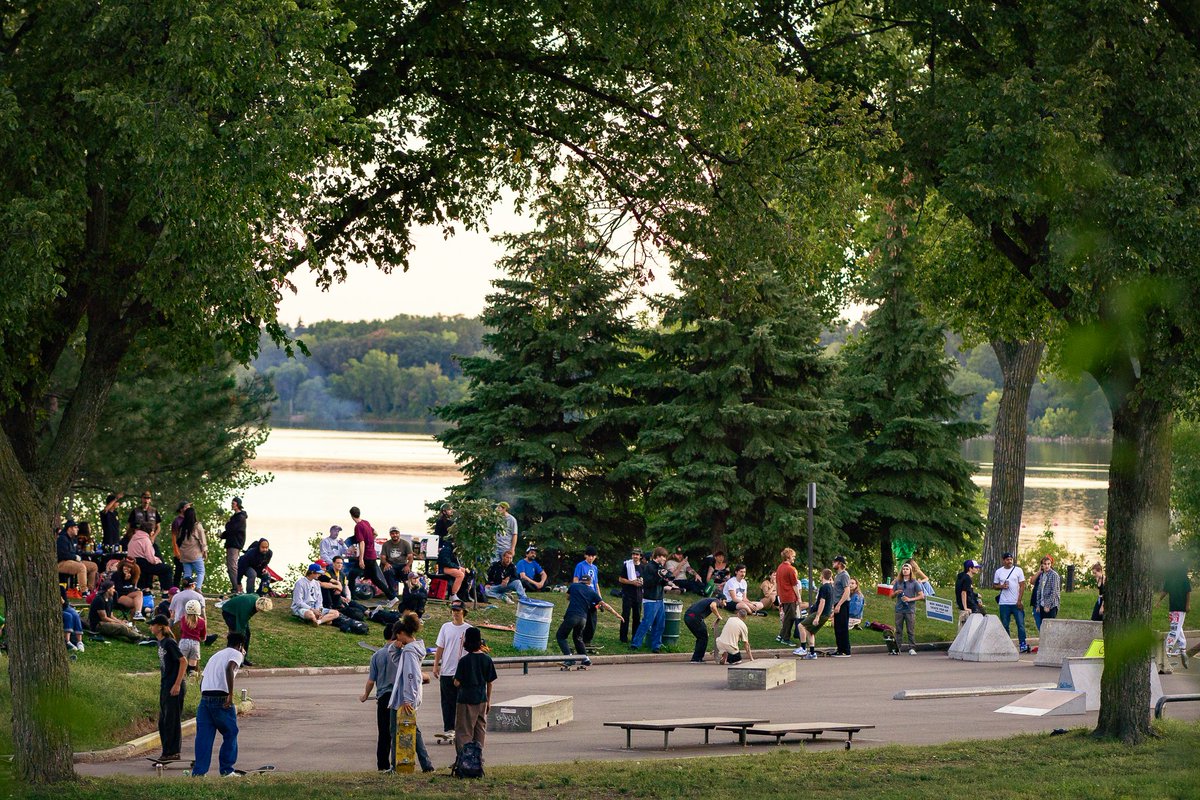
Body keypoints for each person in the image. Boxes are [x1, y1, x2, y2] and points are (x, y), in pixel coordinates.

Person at [388, 611, 435, 773]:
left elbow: (411, 676)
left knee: (396, 732)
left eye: (397, 636)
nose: (396, 639)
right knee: (414, 730)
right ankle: (426, 765)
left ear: (402, 633)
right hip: (406, 697)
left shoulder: (409, 652)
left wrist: (408, 699)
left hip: (404, 699)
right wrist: (394, 649)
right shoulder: (412, 649)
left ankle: (396, 765)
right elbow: (397, 663)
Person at [192, 632, 245, 777]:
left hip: (205, 698)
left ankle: (199, 773)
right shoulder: (236, 653)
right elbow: (229, 668)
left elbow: (203, 680)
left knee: (204, 737)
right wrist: (230, 695)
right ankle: (227, 770)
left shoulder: (216, 655)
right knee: (230, 733)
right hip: (221, 698)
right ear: (240, 645)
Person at [454, 626, 497, 764]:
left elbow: (457, 682)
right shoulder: (487, 659)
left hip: (466, 699)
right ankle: (478, 759)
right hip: (482, 699)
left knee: (464, 731)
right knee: (479, 730)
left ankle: (464, 761)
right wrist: (488, 701)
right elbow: (490, 682)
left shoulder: (464, 661)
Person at [362, 622, 402, 771]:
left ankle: (382, 765)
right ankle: (398, 762)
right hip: (397, 696)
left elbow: (371, 681)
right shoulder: (399, 653)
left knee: (384, 733)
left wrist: (365, 695)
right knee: (398, 731)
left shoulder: (376, 655)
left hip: (383, 697)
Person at [432, 600, 472, 744]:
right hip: (446, 671)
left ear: (463, 612)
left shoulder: (468, 629)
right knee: (447, 702)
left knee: (461, 702)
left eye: (458, 611)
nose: (455, 613)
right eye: (453, 610)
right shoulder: (445, 627)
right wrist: (436, 665)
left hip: (461, 672)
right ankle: (449, 729)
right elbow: (440, 648)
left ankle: (462, 729)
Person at [556, 580, 621, 667]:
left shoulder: (574, 586)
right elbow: (604, 605)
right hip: (583, 619)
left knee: (561, 636)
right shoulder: (592, 591)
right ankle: (586, 659)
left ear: (580, 581)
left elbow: (568, 597)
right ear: (589, 583)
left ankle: (569, 659)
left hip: (572, 616)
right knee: (578, 638)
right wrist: (616, 614)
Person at [150, 614, 187, 761]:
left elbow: (183, 661)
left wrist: (177, 684)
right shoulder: (161, 643)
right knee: (163, 721)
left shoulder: (169, 642)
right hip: (165, 685)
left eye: (153, 625)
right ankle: (166, 751)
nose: (150, 627)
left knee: (171, 720)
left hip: (174, 686)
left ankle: (173, 752)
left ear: (160, 626)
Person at [631, 547, 675, 653]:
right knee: (647, 622)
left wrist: (666, 580)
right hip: (650, 599)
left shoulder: (660, 567)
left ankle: (656, 646)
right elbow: (648, 583)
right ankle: (635, 644)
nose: (664, 559)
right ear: (657, 556)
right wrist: (659, 576)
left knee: (660, 624)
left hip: (659, 599)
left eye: (665, 557)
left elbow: (662, 581)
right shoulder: (649, 567)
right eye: (663, 556)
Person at [351, 506, 398, 603]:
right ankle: (392, 597)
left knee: (351, 575)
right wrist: (371, 541)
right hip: (372, 556)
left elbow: (362, 542)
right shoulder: (366, 522)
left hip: (366, 557)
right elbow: (375, 533)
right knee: (375, 579)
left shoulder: (358, 526)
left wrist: (361, 559)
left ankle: (351, 598)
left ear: (351, 515)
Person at [218, 593, 272, 667]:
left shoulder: (257, 598)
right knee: (235, 635)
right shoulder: (246, 607)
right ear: (257, 604)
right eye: (259, 609)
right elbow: (241, 625)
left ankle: (243, 658)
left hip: (238, 611)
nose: (259, 611)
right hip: (229, 612)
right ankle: (231, 658)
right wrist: (241, 639)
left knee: (247, 634)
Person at [992, 552, 1029, 652]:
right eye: (1007, 560)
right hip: (1004, 603)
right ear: (1003, 561)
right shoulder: (999, 572)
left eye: (1011, 559)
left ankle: (1022, 644)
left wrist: (1019, 600)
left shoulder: (1018, 570)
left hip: (1016, 602)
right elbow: (994, 585)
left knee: (1020, 624)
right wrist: (1001, 586)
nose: (1009, 561)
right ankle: (1007, 644)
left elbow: (1022, 585)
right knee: (1005, 624)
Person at [795, 569, 835, 660]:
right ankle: (812, 653)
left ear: (822, 576)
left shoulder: (824, 587)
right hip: (826, 614)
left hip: (821, 613)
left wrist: (817, 616)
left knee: (801, 626)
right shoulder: (831, 587)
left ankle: (803, 648)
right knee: (810, 631)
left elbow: (822, 602)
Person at [1159, 558, 1191, 656]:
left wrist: (1187, 604)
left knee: (1175, 628)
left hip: (1180, 607)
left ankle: (1168, 648)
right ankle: (1182, 648)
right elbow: (1165, 591)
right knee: (1177, 627)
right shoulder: (1169, 578)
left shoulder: (1184, 578)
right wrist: (1159, 600)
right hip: (1172, 607)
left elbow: (1188, 592)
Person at [892, 562, 925, 654]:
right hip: (899, 609)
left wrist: (910, 599)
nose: (905, 571)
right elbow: (891, 595)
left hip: (910, 610)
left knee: (910, 629)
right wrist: (896, 593)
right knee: (898, 630)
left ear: (910, 571)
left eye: (907, 569)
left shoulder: (914, 583)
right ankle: (897, 647)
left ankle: (912, 648)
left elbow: (921, 596)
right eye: (903, 569)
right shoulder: (898, 582)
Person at [57, 519, 98, 592]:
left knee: (93, 566)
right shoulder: (62, 538)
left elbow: (76, 552)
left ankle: (91, 590)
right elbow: (62, 555)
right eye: (76, 527)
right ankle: (84, 591)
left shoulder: (73, 539)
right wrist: (75, 557)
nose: (78, 529)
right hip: (61, 563)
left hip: (72, 562)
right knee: (81, 567)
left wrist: (78, 557)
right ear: (70, 528)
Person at [127, 525, 173, 592]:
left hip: (134, 563)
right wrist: (158, 561)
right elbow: (150, 558)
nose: (153, 533)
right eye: (152, 531)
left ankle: (145, 589)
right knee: (167, 569)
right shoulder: (145, 540)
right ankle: (166, 591)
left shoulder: (133, 539)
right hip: (143, 564)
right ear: (149, 531)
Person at [173, 506, 208, 591]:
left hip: (184, 555)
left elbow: (178, 540)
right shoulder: (197, 526)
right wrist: (205, 551)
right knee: (200, 572)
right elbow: (203, 540)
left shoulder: (182, 527)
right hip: (195, 554)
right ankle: (198, 588)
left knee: (187, 573)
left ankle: (186, 589)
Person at [573, 546, 600, 648]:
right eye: (589, 556)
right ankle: (579, 639)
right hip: (584, 595)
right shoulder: (580, 566)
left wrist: (599, 597)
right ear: (585, 555)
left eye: (593, 556)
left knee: (592, 620)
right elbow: (575, 580)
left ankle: (588, 640)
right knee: (583, 618)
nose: (591, 558)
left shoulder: (595, 568)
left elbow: (596, 583)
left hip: (592, 596)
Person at [219, 497, 248, 593]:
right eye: (232, 503)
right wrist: (222, 535)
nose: (232, 505)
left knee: (232, 566)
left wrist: (227, 524)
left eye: (234, 503)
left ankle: (237, 588)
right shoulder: (235, 517)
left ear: (238, 504)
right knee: (230, 566)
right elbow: (230, 531)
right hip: (231, 543)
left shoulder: (240, 517)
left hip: (235, 544)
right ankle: (236, 587)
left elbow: (232, 529)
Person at [684, 597, 723, 663]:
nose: (725, 604)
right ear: (721, 599)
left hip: (688, 616)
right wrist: (718, 616)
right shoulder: (716, 600)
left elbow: (700, 616)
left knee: (702, 636)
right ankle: (696, 659)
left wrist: (706, 630)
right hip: (694, 617)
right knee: (703, 638)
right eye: (725, 602)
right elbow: (712, 606)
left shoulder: (707, 600)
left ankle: (696, 658)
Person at [775, 548, 801, 646]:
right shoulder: (791, 569)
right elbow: (794, 585)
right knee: (790, 618)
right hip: (790, 596)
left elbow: (778, 582)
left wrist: (779, 595)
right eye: (793, 556)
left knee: (787, 617)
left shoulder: (780, 567)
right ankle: (785, 638)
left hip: (783, 596)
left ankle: (781, 635)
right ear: (789, 556)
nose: (794, 558)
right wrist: (799, 598)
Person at [617, 547, 643, 643]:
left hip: (638, 595)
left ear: (640, 556)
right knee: (625, 615)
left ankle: (635, 637)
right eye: (633, 554)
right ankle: (623, 637)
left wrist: (641, 582)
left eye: (637, 554)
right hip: (628, 594)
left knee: (637, 617)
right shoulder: (627, 565)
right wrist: (632, 582)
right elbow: (620, 579)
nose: (635, 556)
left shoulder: (643, 567)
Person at [1030, 555, 1060, 631]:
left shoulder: (1054, 575)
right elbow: (1039, 590)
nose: (1047, 566)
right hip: (1042, 604)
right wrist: (1038, 605)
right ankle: (1045, 642)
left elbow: (1054, 592)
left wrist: (1048, 605)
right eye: (1045, 564)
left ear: (1051, 564)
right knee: (1043, 627)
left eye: (1048, 564)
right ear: (1042, 565)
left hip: (1051, 605)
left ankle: (1052, 642)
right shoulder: (1042, 575)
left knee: (1050, 627)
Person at [830, 555, 853, 656]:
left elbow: (847, 591)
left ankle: (845, 650)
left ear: (839, 563)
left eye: (834, 562)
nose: (833, 563)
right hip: (837, 603)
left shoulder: (844, 575)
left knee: (842, 627)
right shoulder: (838, 575)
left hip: (843, 604)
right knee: (837, 627)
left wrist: (839, 605)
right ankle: (840, 649)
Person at [381, 526, 414, 596]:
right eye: (392, 533)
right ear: (390, 534)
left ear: (399, 534)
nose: (395, 535)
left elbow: (411, 557)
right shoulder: (386, 544)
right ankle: (392, 595)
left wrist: (408, 566)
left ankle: (407, 594)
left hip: (402, 564)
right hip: (391, 564)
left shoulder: (405, 544)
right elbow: (383, 557)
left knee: (408, 574)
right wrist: (386, 563)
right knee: (388, 572)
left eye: (396, 533)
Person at [436, 526, 466, 602]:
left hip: (449, 566)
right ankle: (453, 594)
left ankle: (463, 593)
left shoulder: (453, 549)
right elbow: (446, 562)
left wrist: (458, 566)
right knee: (460, 574)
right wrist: (457, 567)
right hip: (443, 568)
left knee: (464, 571)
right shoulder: (447, 549)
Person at [179, 599, 207, 676]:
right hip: (195, 643)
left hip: (184, 641)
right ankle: (191, 679)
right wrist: (203, 639)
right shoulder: (202, 621)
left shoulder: (183, 619)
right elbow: (203, 635)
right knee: (193, 664)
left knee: (181, 661)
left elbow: (181, 630)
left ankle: (181, 677)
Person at [956, 559, 985, 630]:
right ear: (970, 568)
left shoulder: (963, 577)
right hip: (969, 605)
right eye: (976, 567)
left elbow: (968, 592)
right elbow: (963, 592)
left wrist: (976, 595)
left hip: (970, 602)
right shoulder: (967, 579)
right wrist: (965, 607)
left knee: (983, 612)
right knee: (983, 618)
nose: (978, 569)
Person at [62, 586, 85, 652]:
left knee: (75, 615)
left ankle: (79, 641)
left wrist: (63, 602)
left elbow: (66, 604)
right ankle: (67, 641)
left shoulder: (61, 588)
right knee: (68, 616)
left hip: (64, 607)